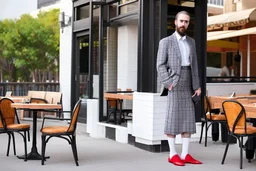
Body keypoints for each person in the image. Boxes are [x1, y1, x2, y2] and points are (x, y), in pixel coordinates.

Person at [156, 11, 202, 166]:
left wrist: (197, 85)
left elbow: (194, 65)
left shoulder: (192, 42)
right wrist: (168, 82)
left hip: (188, 81)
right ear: (175, 22)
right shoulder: (166, 42)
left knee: (188, 120)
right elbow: (160, 65)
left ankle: (185, 154)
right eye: (181, 21)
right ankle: (172, 154)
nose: (184, 24)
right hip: (174, 83)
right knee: (173, 119)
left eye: (187, 22)